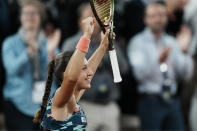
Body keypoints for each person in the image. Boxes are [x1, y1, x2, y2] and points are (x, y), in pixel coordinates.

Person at [33, 16, 111, 130]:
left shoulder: (73, 98)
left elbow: (88, 72)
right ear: (66, 73)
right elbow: (71, 78)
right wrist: (86, 35)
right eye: (83, 68)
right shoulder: (61, 98)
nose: (89, 72)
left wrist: (103, 46)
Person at [62, 3, 129, 131]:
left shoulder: (108, 40)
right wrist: (99, 49)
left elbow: (123, 69)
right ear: (80, 22)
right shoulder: (71, 44)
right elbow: (68, 75)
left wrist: (108, 46)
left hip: (109, 105)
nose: (94, 21)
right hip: (84, 104)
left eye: (96, 17)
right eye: (89, 17)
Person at [127, 2, 193, 131]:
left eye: (161, 15)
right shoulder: (137, 42)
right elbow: (139, 75)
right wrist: (158, 61)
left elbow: (186, 74)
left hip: (172, 100)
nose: (158, 19)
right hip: (150, 100)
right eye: (153, 16)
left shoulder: (172, 42)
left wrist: (185, 52)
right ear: (145, 19)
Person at [2, 0, 60, 130]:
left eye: (34, 13)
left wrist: (50, 52)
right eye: (26, 13)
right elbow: (12, 69)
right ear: (20, 18)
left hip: (47, 107)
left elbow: (58, 73)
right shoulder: (10, 43)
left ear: (41, 18)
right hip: (18, 105)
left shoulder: (48, 43)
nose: (30, 16)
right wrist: (29, 52)